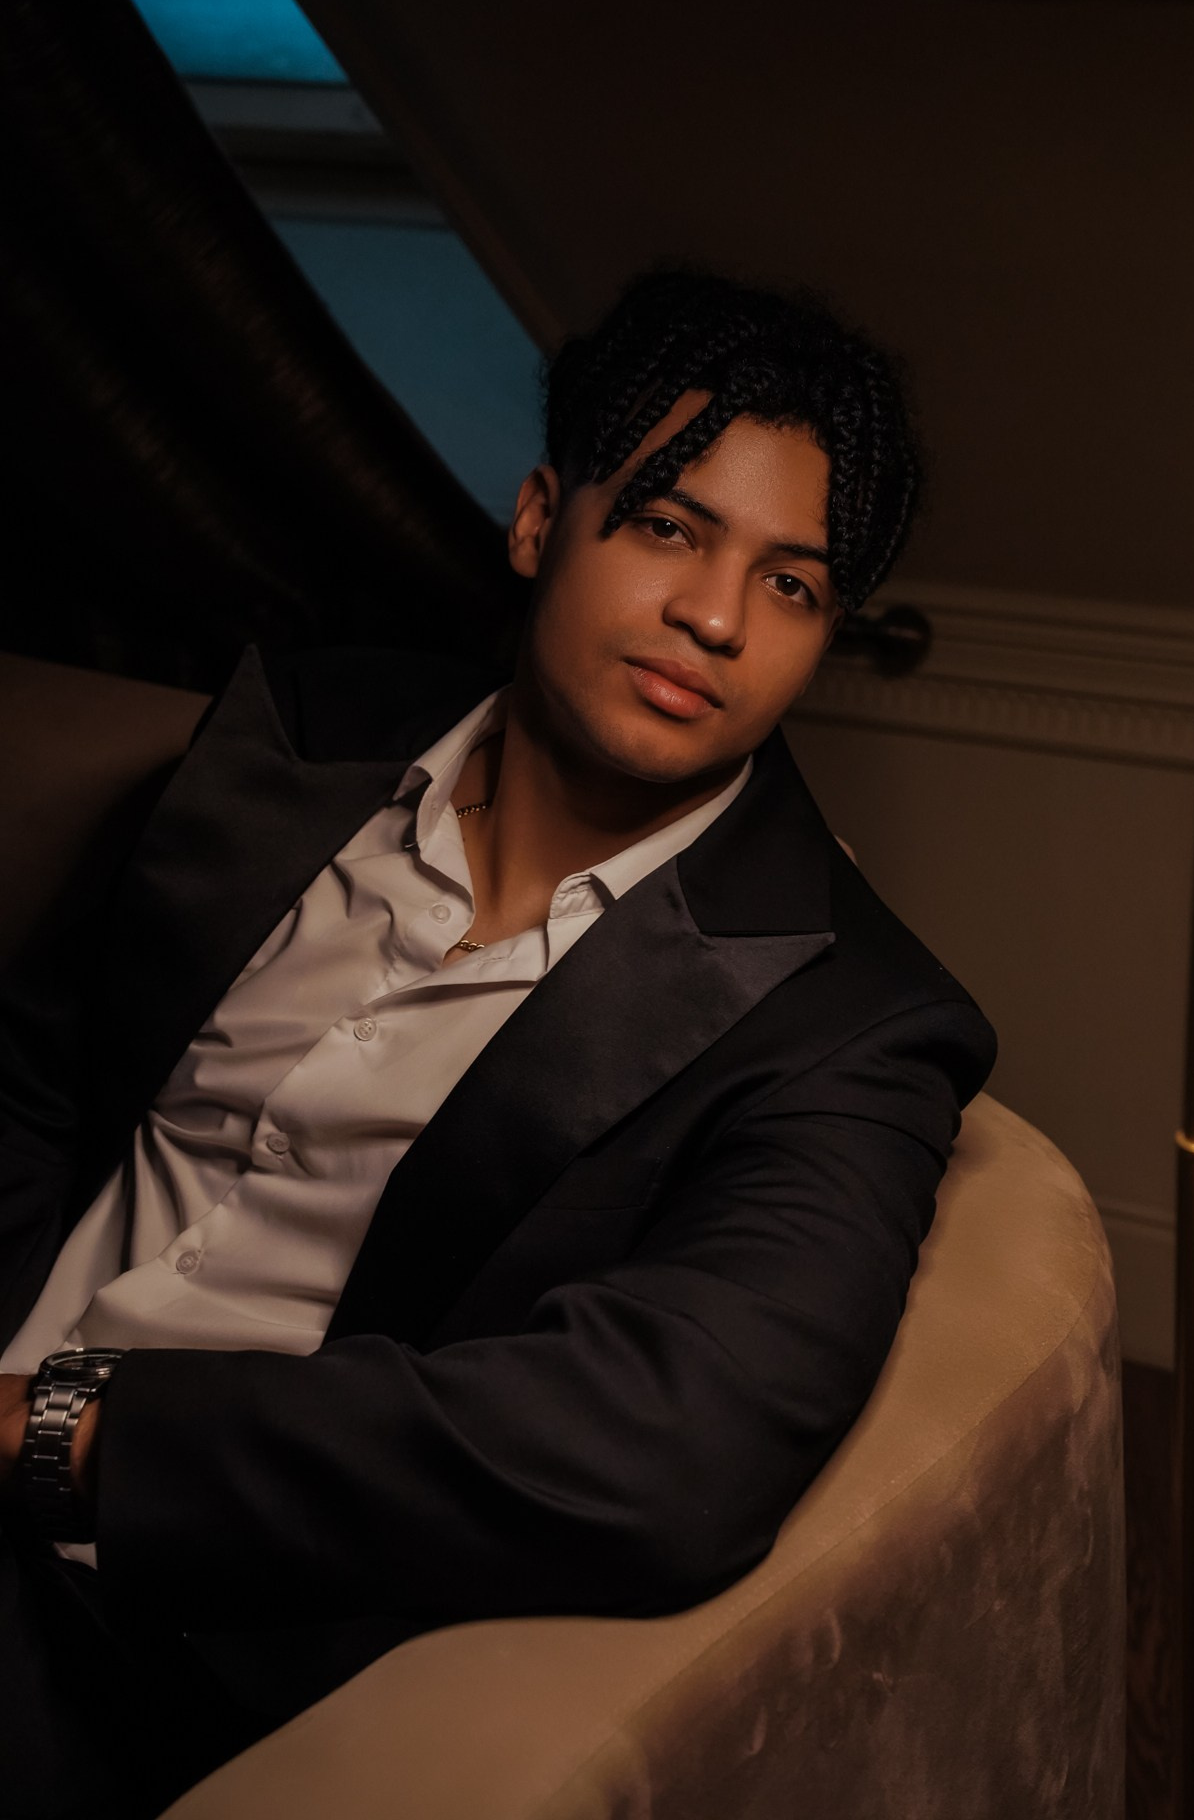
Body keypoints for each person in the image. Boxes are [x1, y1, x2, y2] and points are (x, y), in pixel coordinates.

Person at [0, 264, 996, 1818]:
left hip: (172, 1628)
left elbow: (669, 1447)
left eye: (792, 586)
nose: (715, 617)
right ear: (540, 521)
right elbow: (36, 1073)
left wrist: (55, 1431)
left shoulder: (854, 1023)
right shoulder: (299, 730)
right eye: (666, 526)